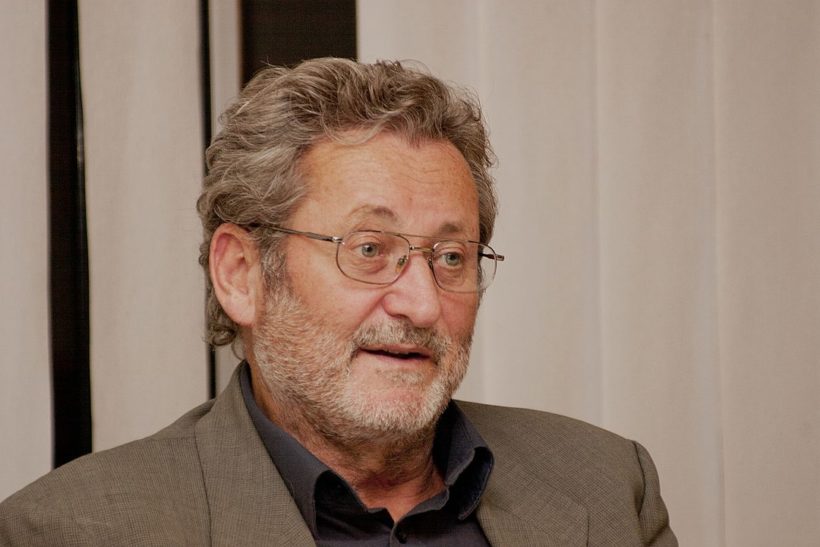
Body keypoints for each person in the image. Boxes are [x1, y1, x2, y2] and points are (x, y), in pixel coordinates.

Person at [0, 58, 676, 546]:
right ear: (241, 274)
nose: (421, 302)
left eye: (451, 257)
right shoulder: (73, 529)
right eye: (370, 249)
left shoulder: (609, 486)